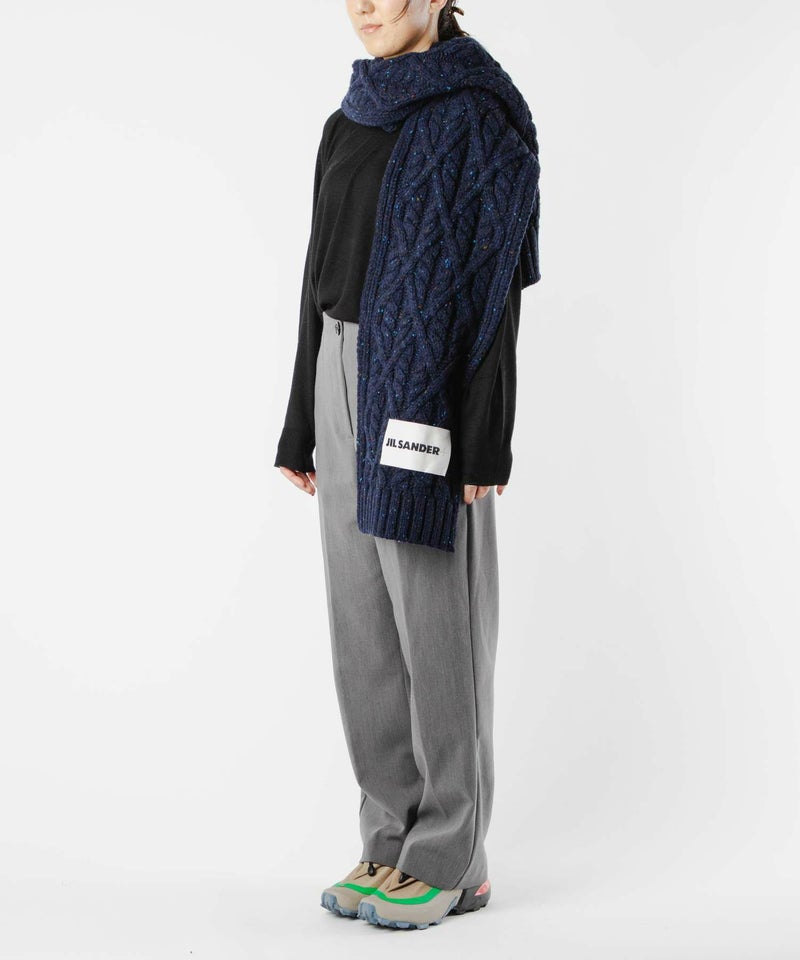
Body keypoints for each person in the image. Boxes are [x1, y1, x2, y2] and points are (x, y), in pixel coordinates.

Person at [274, 0, 541, 930]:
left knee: (437, 627)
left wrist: (488, 431)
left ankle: (452, 856)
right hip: (340, 371)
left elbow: (497, 287)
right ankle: (389, 836)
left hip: (424, 389)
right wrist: (300, 423)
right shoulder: (347, 119)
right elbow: (315, 277)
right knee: (363, 626)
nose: (365, 6)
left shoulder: (479, 117)